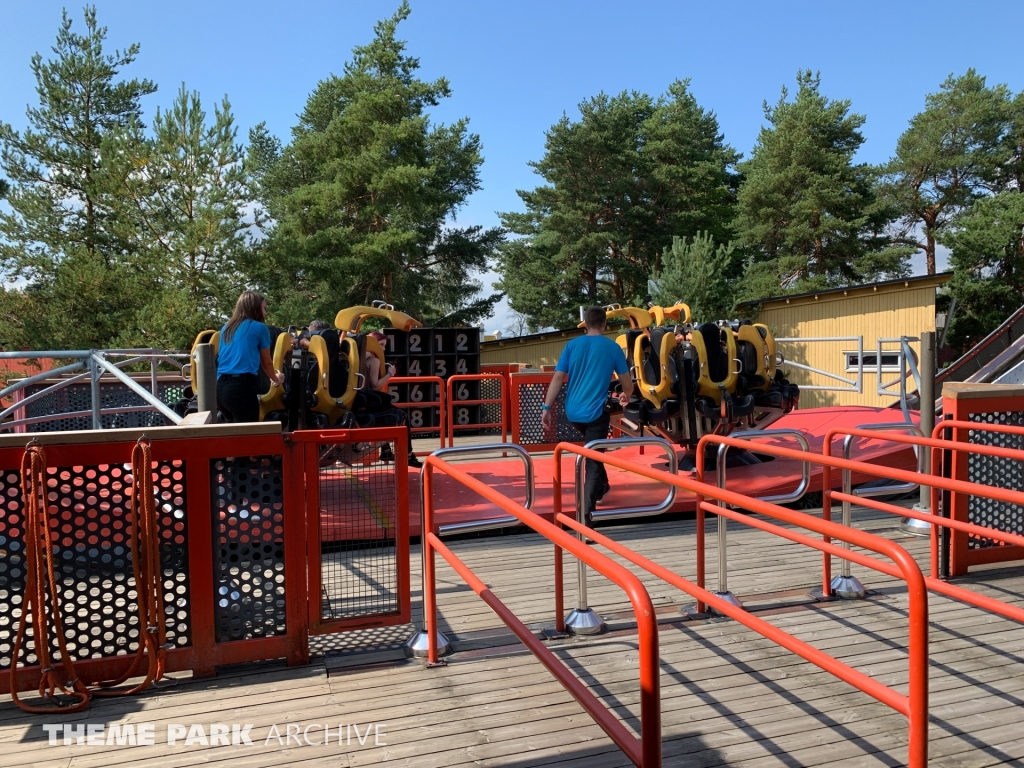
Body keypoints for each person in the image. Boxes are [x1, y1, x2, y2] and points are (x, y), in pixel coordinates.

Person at [542, 306, 634, 520]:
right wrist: (626, 395)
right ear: (604, 324)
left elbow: (557, 378)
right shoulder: (612, 348)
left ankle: (602, 486)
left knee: (594, 449)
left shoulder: (572, 345)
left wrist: (546, 408)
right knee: (592, 460)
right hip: (595, 413)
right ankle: (586, 515)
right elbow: (627, 382)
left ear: (585, 324)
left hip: (573, 413)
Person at [216, 290, 285, 423]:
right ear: (255, 308)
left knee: (232, 432)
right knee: (249, 432)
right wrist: (275, 379)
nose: (265, 313)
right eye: (263, 308)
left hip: (220, 388)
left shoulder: (226, 328)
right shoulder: (260, 328)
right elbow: (266, 362)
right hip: (241, 388)